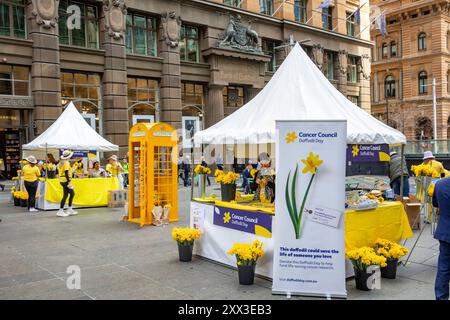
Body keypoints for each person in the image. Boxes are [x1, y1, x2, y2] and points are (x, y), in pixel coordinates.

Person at [432, 176, 450, 300]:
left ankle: (441, 297)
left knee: (443, 269)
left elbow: (435, 203)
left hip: (445, 232)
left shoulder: (440, 184)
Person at [57, 150, 77, 217]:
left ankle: (69, 208)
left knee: (70, 194)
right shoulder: (66, 163)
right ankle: (61, 210)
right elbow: (66, 173)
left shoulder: (61, 163)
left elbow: (63, 172)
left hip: (62, 180)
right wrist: (69, 182)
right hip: (66, 180)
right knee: (68, 195)